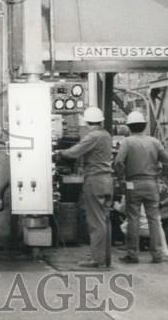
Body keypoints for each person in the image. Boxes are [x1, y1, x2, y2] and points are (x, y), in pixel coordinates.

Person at [54, 106, 114, 269]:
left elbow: (74, 152)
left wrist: (58, 152)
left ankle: (97, 259)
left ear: (87, 122)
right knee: (104, 220)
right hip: (107, 181)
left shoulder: (93, 136)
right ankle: (104, 256)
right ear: (100, 121)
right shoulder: (106, 135)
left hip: (95, 181)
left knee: (95, 222)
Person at [114, 110, 168, 264]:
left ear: (129, 127)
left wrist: (122, 178)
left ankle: (132, 255)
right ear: (144, 126)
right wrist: (161, 175)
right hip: (152, 183)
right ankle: (157, 255)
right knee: (154, 219)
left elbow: (118, 162)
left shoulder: (127, 142)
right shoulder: (154, 142)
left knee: (133, 218)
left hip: (133, 184)